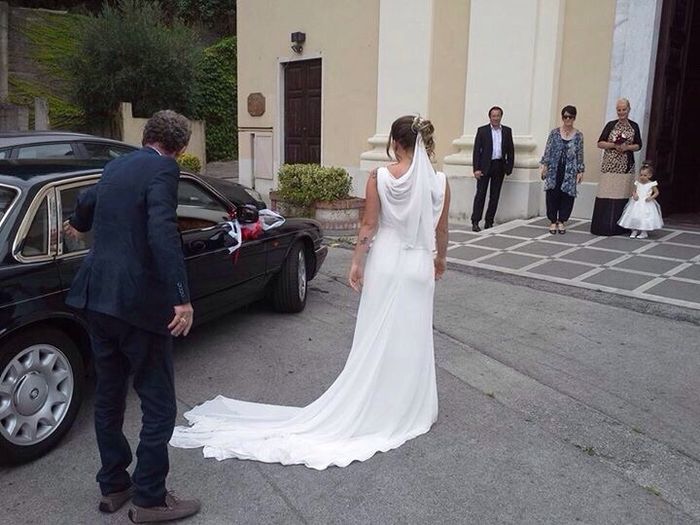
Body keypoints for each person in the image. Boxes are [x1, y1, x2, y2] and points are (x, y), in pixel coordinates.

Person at [170, 115, 450, 470]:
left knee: (376, 333)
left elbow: (368, 225)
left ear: (394, 142)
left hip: (387, 261)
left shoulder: (380, 176)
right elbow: (441, 230)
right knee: (412, 333)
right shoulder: (440, 181)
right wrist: (440, 260)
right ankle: (409, 405)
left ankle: (375, 398)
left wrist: (357, 262)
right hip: (418, 266)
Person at [64, 110, 201, 523]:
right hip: (138, 304)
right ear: (179, 148)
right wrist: (181, 298)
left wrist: (77, 223)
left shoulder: (115, 166)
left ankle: (113, 484)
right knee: (159, 403)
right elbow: (162, 231)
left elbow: (87, 201)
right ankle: (150, 498)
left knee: (109, 396)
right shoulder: (164, 169)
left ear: (146, 136)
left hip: (97, 297)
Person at [590, 98, 642, 235]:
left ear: (629, 109)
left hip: (626, 167)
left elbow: (639, 145)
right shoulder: (610, 125)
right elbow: (600, 143)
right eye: (619, 110)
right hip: (609, 166)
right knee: (606, 194)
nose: (621, 112)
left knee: (622, 196)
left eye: (624, 109)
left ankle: (620, 227)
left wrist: (627, 147)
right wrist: (614, 145)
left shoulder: (634, 126)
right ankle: (603, 226)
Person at [539, 105, 585, 234]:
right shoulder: (554, 133)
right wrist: (544, 165)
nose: (567, 119)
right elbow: (548, 149)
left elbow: (580, 153)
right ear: (562, 117)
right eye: (565, 117)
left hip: (570, 170)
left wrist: (580, 170)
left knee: (567, 195)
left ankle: (562, 221)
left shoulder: (578, 135)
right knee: (552, 193)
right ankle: (553, 221)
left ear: (574, 118)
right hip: (554, 168)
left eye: (570, 117)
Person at [471, 106, 515, 232]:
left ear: (501, 117)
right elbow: (476, 151)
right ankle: (475, 221)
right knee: (480, 195)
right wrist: (476, 169)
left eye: (498, 116)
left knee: (494, 196)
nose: (496, 118)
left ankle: (489, 221)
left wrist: (509, 167)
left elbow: (511, 151)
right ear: (490, 117)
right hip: (484, 167)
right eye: (493, 116)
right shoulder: (482, 131)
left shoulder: (507, 131)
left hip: (499, 166)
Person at [618, 161, 663, 238]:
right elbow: (634, 191)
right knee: (634, 216)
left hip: (646, 202)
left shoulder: (651, 184)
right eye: (641, 175)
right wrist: (634, 195)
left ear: (650, 175)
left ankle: (643, 232)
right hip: (637, 202)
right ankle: (634, 230)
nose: (642, 177)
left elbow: (657, 192)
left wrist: (651, 197)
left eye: (645, 175)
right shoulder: (637, 183)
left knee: (644, 217)